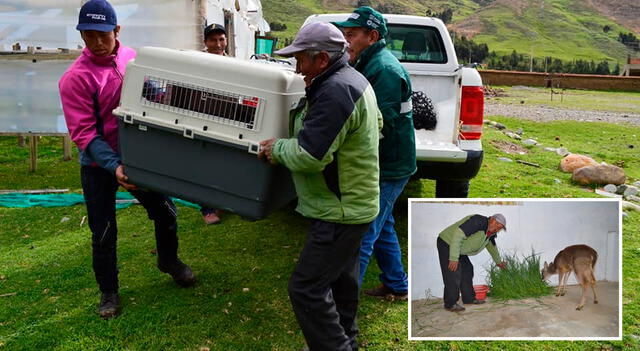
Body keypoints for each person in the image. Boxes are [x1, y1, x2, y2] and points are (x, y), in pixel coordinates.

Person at [59, 0, 195, 319]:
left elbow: (155, 95)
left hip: (138, 157)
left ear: (117, 30)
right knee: (104, 231)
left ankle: (169, 261)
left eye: (102, 35)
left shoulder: (133, 58)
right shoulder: (75, 78)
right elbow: (84, 134)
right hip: (98, 164)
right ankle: (109, 292)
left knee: (165, 211)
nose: (95, 42)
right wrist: (115, 166)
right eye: (88, 35)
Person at [259, 22, 382, 351]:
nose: (298, 69)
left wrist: (277, 148)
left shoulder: (335, 91)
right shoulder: (353, 80)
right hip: (356, 204)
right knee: (342, 285)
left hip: (338, 211)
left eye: (301, 60)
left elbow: (311, 156)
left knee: (306, 288)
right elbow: (377, 124)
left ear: (323, 59)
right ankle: (347, 342)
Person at [333, 6, 416, 300]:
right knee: (384, 227)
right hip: (386, 162)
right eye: (344, 34)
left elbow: (377, 126)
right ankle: (397, 284)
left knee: (363, 234)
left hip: (390, 166)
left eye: (351, 34)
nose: (345, 40)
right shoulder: (366, 63)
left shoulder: (384, 70)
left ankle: (340, 314)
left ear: (372, 36)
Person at [437, 213, 508, 312]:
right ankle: (450, 303)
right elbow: (458, 234)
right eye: (496, 224)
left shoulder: (490, 233)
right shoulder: (478, 221)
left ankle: (469, 298)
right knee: (453, 272)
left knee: (467, 269)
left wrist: (498, 262)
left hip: (459, 248)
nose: (497, 228)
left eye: (499, 228)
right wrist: (453, 258)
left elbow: (492, 246)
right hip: (447, 242)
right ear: (491, 219)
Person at [198, 23, 229, 224]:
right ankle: (207, 210)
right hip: (204, 118)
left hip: (227, 117)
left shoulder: (234, 62)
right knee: (205, 163)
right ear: (205, 42)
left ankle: (227, 202)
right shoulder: (199, 62)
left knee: (226, 160)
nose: (218, 44)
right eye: (213, 40)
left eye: (221, 39)